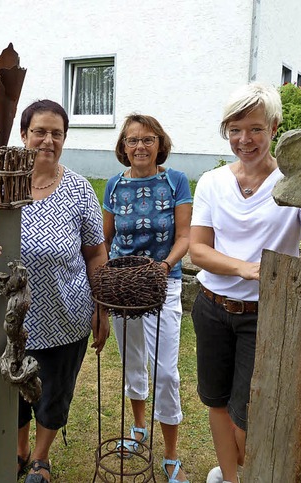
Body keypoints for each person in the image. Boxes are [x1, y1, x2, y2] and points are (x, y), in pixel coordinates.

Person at [189, 83, 301, 483]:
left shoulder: (296, 185)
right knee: (216, 402)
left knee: (250, 412)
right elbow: (198, 251)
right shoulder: (212, 182)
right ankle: (231, 478)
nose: (244, 139)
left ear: (274, 127)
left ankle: (250, 472)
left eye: (254, 128)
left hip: (266, 316)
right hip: (211, 307)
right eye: (234, 129)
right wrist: (247, 268)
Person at [0, 99, 109, 483]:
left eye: (56, 133)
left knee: (54, 392)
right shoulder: (0, 178)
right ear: (23, 135)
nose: (48, 140)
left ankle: (40, 457)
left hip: (65, 316)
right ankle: (18, 447)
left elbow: (95, 254)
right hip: (6, 316)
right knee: (10, 389)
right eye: (39, 131)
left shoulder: (78, 190)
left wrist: (101, 308)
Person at [103, 114, 192, 483]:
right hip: (124, 288)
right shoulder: (112, 185)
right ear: (123, 146)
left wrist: (164, 266)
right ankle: (139, 430)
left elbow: (185, 236)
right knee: (133, 363)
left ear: (160, 143)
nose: (140, 146)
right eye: (133, 140)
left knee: (166, 373)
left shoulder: (176, 181)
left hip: (163, 284)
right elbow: (105, 240)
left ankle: (171, 453)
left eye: (148, 139)